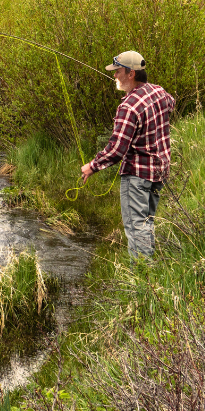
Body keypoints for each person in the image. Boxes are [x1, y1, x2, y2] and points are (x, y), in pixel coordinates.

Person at [80, 51, 174, 259]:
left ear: (131, 74)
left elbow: (116, 150)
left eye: (118, 72)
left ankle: (143, 279)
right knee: (147, 222)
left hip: (137, 177)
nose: (114, 76)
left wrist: (92, 166)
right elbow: (171, 103)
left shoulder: (128, 106)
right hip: (159, 172)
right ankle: (148, 272)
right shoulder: (159, 92)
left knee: (136, 227)